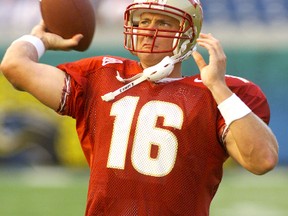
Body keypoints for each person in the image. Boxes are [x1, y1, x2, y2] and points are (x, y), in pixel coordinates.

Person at [0, 0, 279, 215]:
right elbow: (14, 66)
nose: (148, 31)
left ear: (187, 34)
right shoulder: (102, 74)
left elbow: (262, 160)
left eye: (163, 23)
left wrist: (219, 88)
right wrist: (40, 40)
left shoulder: (217, 93)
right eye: (143, 20)